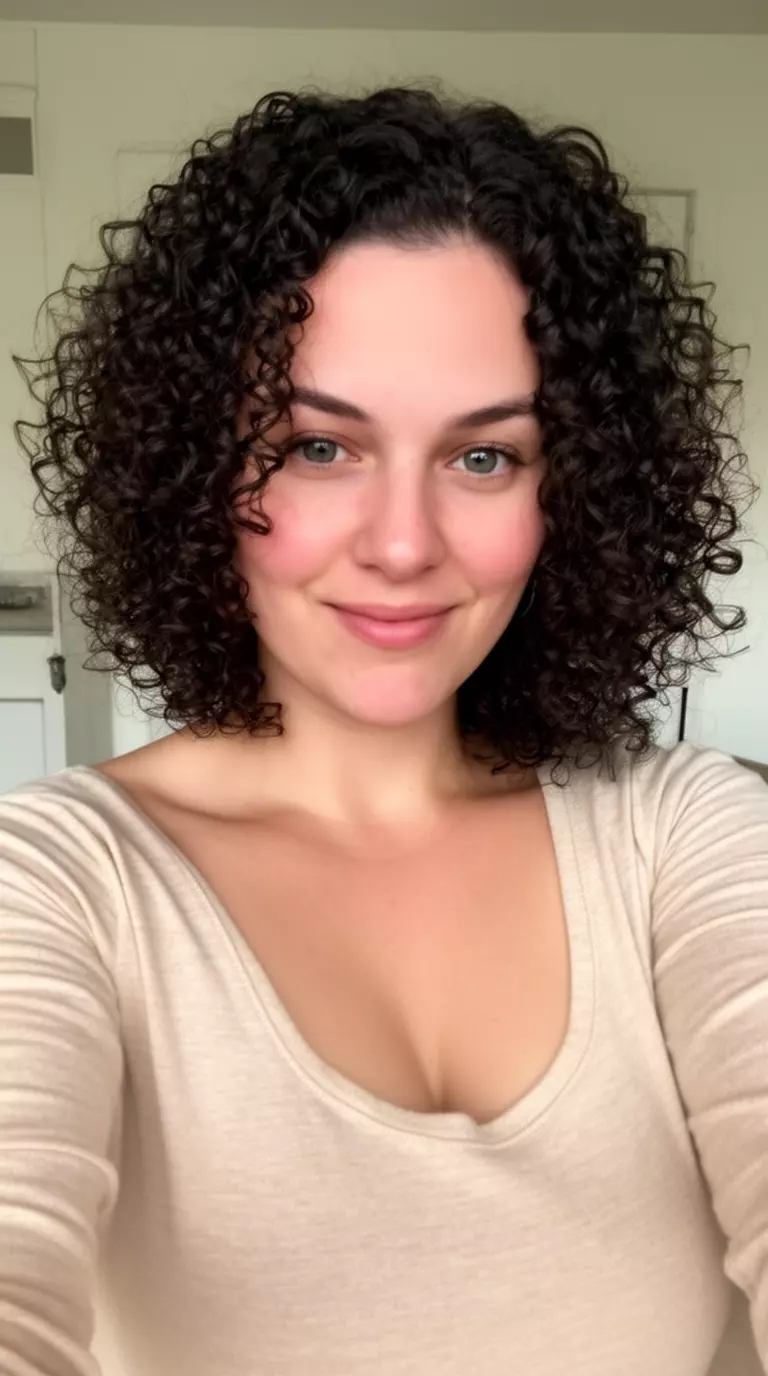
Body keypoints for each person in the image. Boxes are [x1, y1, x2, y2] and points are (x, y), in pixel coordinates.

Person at [4, 80, 768, 1376]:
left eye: (485, 457)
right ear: (198, 469)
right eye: (316, 447)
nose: (405, 545)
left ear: (569, 493)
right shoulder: (60, 882)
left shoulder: (682, 833)